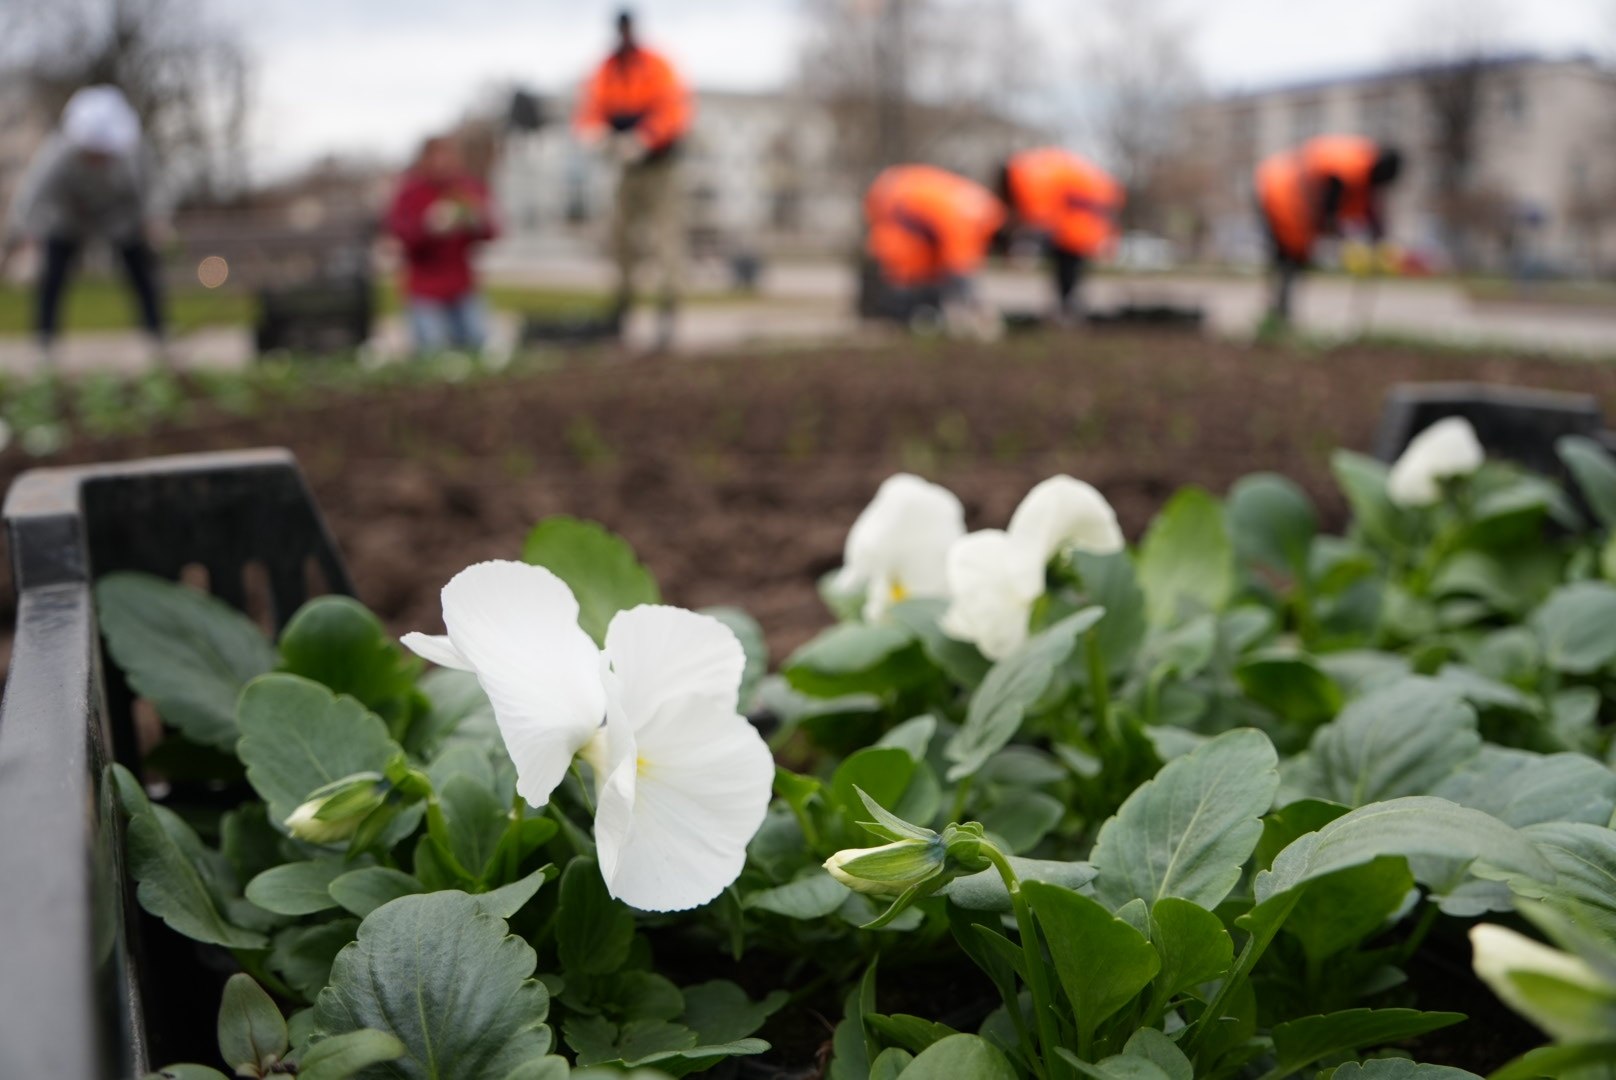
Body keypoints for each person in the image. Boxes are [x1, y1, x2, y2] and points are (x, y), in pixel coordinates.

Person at [1, 85, 166, 364]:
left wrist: (155, 220)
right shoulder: (57, 152)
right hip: (68, 217)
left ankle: (155, 334)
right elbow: (31, 195)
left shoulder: (135, 152)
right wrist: (13, 239)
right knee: (53, 274)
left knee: (141, 270)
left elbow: (151, 190)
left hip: (119, 218)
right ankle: (45, 338)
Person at [574, 8, 692, 349]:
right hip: (626, 167)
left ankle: (668, 311)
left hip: (660, 165)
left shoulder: (657, 65)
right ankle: (621, 310)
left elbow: (674, 109)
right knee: (621, 236)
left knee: (665, 236)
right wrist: (595, 134)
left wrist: (646, 137)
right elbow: (589, 112)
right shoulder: (605, 69)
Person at [1255, 134, 1403, 326]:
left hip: (1291, 196)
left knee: (1292, 261)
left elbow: (1368, 207)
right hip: (1280, 192)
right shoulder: (1352, 165)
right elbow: (1331, 196)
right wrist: (1331, 225)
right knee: (1287, 259)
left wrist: (1375, 232)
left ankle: (1280, 314)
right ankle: (1278, 314)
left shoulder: (1362, 168)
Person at [385, 133, 499, 354]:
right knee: (432, 351)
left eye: (449, 155)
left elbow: (491, 232)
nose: (444, 163)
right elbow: (401, 237)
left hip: (462, 284)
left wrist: (475, 221)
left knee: (476, 343)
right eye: (437, 156)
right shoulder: (411, 192)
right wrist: (429, 226)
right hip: (425, 288)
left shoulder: (467, 188)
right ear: (425, 159)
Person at [864, 163, 1006, 337]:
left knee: (928, 269)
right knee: (907, 269)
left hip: (898, 195)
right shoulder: (972, 223)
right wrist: (979, 310)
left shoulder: (983, 210)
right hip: (896, 203)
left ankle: (918, 316)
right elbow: (961, 270)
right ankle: (900, 318)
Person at [999, 147, 1124, 321]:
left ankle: (1068, 309)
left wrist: (1026, 239)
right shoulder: (1092, 182)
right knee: (1068, 272)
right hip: (1075, 230)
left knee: (1068, 272)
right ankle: (1068, 308)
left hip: (1073, 231)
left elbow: (1036, 211)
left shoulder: (1037, 176)